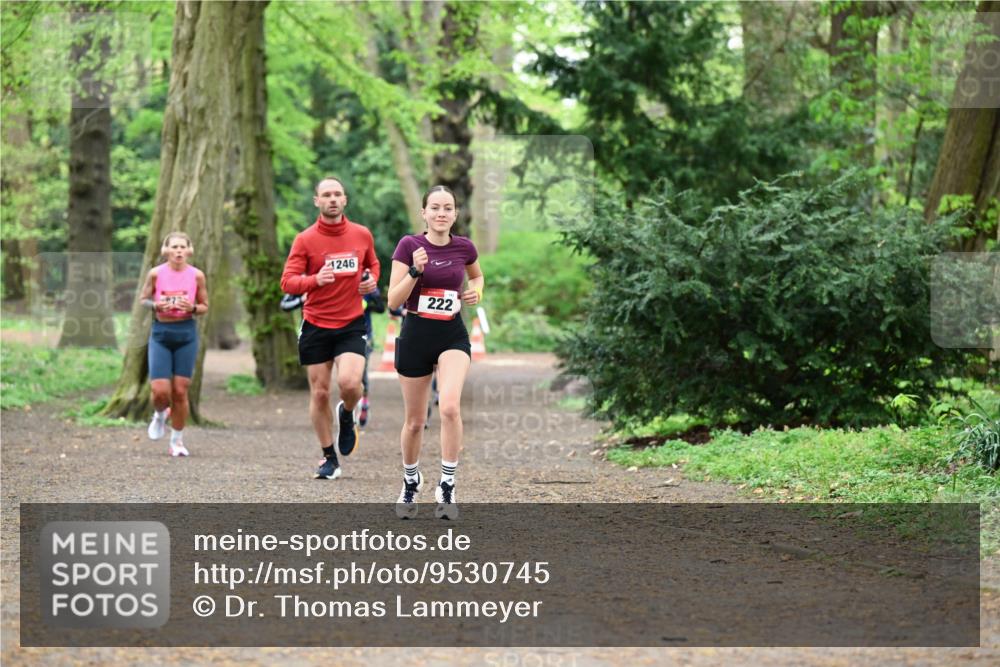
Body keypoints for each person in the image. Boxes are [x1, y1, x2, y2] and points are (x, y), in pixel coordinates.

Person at [387, 185, 483, 519]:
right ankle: (411, 481)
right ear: (424, 213)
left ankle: (447, 485)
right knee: (415, 423)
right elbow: (393, 301)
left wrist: (476, 293)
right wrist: (415, 271)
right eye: (435, 208)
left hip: (451, 334)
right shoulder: (409, 245)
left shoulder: (464, 247)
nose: (441, 213)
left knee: (450, 407)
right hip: (415, 334)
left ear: (455, 214)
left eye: (447, 208)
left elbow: (477, 277)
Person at [281, 176, 379, 480]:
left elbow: (373, 265)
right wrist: (314, 280)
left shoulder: (361, 234)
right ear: (317, 201)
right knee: (320, 393)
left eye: (337, 194)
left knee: (350, 384)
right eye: (326, 195)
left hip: (351, 322)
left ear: (345, 199)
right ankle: (329, 458)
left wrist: (371, 281)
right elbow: (287, 282)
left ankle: (347, 413)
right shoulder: (305, 240)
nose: (332, 199)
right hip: (316, 324)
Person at [140, 231, 208, 457]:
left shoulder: (197, 275)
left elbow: (205, 305)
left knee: (180, 391)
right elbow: (143, 299)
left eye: (182, 247)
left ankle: (177, 441)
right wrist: (157, 305)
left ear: (189, 251)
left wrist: (192, 308)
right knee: (160, 391)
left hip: (186, 334)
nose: (178, 251)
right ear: (165, 250)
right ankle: (160, 414)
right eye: (174, 247)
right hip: (161, 333)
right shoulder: (155, 273)